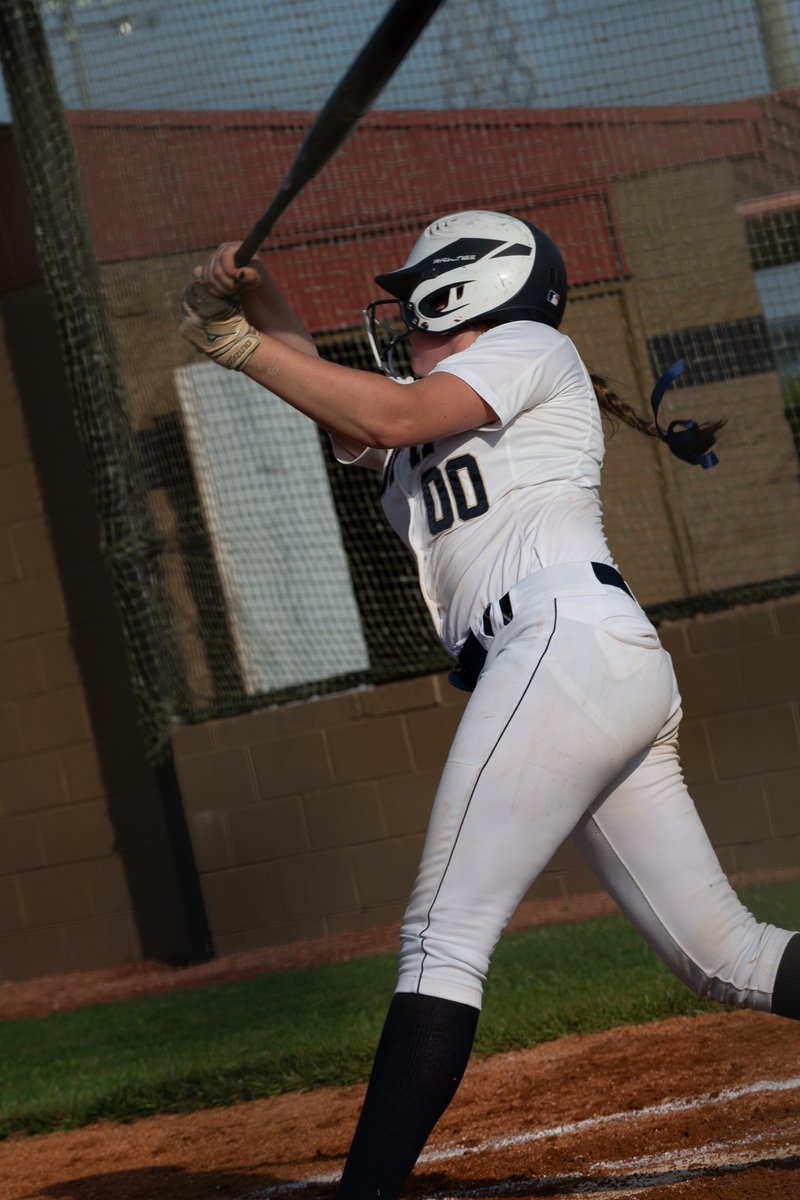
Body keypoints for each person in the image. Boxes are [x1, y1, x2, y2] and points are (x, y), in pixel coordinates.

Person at [180, 210, 800, 1199]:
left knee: (442, 936)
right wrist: (260, 303)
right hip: (581, 664)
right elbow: (361, 417)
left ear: (466, 290)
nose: (399, 313)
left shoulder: (526, 346)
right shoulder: (436, 412)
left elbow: (384, 417)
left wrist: (241, 348)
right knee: (723, 956)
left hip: (559, 646)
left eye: (416, 293)